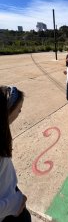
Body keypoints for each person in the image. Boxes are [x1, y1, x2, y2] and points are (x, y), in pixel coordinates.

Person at [0, 86, 31, 222]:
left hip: (9, 191)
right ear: (8, 111)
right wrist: (16, 202)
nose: (20, 111)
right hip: (7, 209)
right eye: (18, 108)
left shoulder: (2, 132)